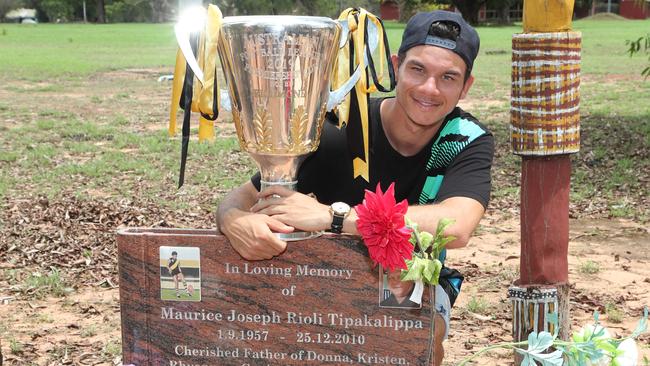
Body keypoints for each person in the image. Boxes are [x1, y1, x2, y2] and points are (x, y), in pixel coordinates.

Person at [217, 10, 493, 366]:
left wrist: (332, 218)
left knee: (418, 332)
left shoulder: (466, 139)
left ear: (466, 86)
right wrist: (234, 221)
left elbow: (456, 226)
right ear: (396, 67)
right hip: (317, 278)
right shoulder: (339, 127)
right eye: (418, 69)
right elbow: (237, 200)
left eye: (448, 77)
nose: (429, 88)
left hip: (406, 281)